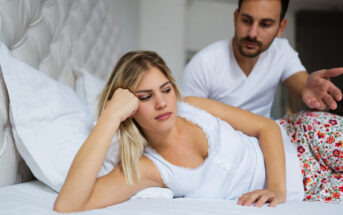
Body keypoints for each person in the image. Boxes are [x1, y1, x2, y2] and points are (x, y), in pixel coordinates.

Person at [54, 51, 342, 213]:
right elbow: (69, 203)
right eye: (144, 96)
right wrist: (110, 116)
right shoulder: (147, 169)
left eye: (165, 89)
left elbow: (266, 127)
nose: (162, 102)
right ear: (129, 106)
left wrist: (277, 189)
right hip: (309, 191)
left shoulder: (191, 107)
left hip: (304, 139)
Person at [182, 0, 343, 118]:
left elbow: (304, 85)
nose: (252, 33)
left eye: (265, 24)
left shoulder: (281, 51)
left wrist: (310, 89)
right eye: (246, 21)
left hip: (264, 141)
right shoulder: (203, 64)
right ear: (235, 18)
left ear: (280, 28)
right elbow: (187, 121)